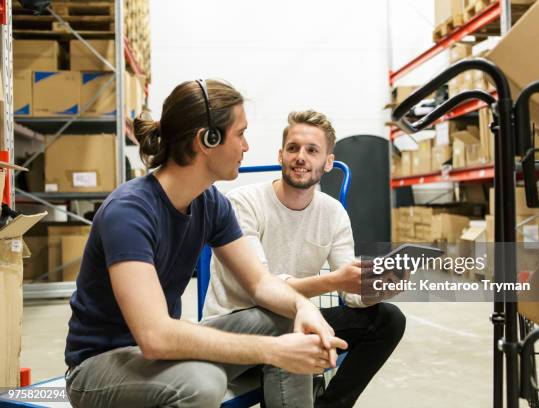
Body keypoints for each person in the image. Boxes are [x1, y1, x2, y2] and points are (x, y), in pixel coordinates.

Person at [64, 80, 348, 408]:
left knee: (285, 321)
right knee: (203, 384)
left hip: (155, 354)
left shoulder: (210, 202)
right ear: (207, 140)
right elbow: (154, 336)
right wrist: (271, 351)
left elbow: (259, 282)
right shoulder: (129, 212)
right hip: (98, 367)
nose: (246, 147)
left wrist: (302, 308)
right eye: (240, 134)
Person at [204, 110, 407, 408]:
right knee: (289, 321)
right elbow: (259, 288)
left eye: (312, 150)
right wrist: (335, 280)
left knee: (388, 319)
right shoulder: (244, 203)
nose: (301, 156)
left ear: (327, 162)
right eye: (293, 148)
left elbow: (349, 295)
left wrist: (375, 288)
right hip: (233, 327)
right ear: (281, 155)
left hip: (294, 317)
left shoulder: (333, 212)